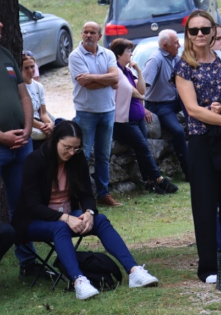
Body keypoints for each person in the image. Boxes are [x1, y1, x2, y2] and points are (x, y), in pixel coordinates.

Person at [11, 121, 159, 300]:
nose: (71, 152)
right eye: (66, 147)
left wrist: (89, 212)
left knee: (100, 220)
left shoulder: (76, 159)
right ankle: (79, 280)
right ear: (55, 140)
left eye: (76, 148)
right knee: (60, 227)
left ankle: (134, 271)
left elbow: (87, 194)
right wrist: (65, 218)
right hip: (33, 220)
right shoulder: (35, 161)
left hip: (66, 215)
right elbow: (33, 206)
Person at [175, 10, 221, 283]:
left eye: (204, 29)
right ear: (188, 35)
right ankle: (209, 267)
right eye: (194, 31)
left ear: (212, 31)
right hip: (202, 141)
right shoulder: (183, 66)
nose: (200, 35)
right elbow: (193, 110)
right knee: (205, 205)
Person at [109, 38, 178, 194]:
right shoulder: (116, 71)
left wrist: (138, 71)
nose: (131, 54)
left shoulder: (127, 71)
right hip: (123, 121)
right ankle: (159, 178)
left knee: (142, 150)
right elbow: (137, 94)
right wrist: (140, 96)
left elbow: (142, 90)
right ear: (119, 54)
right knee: (143, 147)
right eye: (128, 51)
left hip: (137, 119)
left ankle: (149, 183)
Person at [0, 20, 40, 277]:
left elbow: (24, 96)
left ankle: (28, 264)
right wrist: (1, 136)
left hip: (21, 145)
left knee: (22, 205)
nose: (1, 25)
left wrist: (27, 129)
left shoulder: (5, 54)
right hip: (2, 143)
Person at [68, 22, 122, 207]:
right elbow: (86, 84)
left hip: (107, 111)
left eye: (93, 32)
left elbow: (116, 78)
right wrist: (106, 80)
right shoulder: (75, 56)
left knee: (103, 155)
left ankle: (103, 194)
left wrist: (92, 77)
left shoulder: (108, 54)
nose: (88, 35)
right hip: (86, 112)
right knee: (82, 156)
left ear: (99, 36)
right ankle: (82, 196)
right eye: (85, 32)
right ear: (81, 34)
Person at [143, 29, 189, 180]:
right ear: (165, 46)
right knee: (177, 131)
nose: (179, 45)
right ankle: (188, 171)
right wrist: (141, 107)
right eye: (175, 43)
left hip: (176, 100)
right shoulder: (155, 60)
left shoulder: (175, 57)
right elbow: (142, 86)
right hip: (159, 105)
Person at [21, 52, 54, 150]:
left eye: (32, 67)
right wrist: (43, 127)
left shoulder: (38, 86)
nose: (30, 70)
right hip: (28, 125)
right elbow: (24, 116)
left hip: (39, 123)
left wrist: (50, 124)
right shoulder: (19, 87)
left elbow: (43, 113)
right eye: (26, 68)